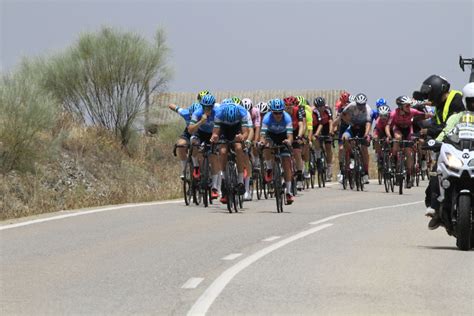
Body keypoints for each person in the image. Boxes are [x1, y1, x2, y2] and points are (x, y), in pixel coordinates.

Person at [416, 75, 465, 228]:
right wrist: (426, 135)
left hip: (464, 144)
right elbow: (439, 126)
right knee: (436, 174)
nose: (428, 98)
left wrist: (430, 129)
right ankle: (438, 211)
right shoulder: (439, 107)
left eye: (429, 94)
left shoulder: (457, 100)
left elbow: (450, 125)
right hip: (450, 146)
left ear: (437, 89)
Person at [428, 82, 474, 229]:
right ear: (465, 101)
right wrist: (436, 142)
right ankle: (436, 209)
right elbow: (446, 132)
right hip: (460, 154)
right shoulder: (456, 117)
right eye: (472, 101)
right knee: (437, 170)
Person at [385, 96, 433, 188]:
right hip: (397, 129)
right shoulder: (393, 113)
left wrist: (431, 115)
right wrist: (389, 136)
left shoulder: (412, 111)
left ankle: (409, 175)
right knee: (397, 139)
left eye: (409, 105)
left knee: (408, 152)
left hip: (408, 130)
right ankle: (394, 161)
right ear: (400, 106)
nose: (409, 107)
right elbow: (388, 126)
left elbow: (422, 115)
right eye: (407, 106)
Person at [210, 99, 250, 204]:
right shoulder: (219, 112)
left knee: (238, 148)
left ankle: (241, 181)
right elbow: (216, 132)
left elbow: (246, 132)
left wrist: (242, 137)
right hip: (224, 129)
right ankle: (224, 178)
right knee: (222, 151)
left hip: (237, 128)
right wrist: (214, 137)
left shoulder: (242, 111)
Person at [260, 98, 295, 203]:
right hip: (271, 136)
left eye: (280, 112)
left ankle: (288, 192)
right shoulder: (266, 118)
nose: (278, 115)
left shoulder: (287, 118)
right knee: (267, 146)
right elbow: (263, 135)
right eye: (275, 113)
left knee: (286, 162)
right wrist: (262, 142)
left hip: (283, 136)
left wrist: (288, 141)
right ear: (271, 112)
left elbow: (290, 136)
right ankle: (270, 169)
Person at [188, 94, 220, 198]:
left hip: (212, 134)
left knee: (214, 157)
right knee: (194, 143)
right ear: (202, 106)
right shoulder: (197, 113)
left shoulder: (217, 114)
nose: (207, 109)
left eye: (210, 107)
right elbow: (190, 129)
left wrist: (216, 137)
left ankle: (214, 187)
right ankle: (196, 167)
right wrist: (201, 121)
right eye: (205, 107)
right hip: (200, 133)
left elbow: (221, 128)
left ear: (213, 106)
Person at [340, 93, 372, 184]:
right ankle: (351, 156)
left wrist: (366, 134)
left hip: (363, 129)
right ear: (356, 103)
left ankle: (365, 173)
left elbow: (368, 124)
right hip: (352, 127)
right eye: (359, 104)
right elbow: (342, 115)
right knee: (345, 138)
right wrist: (350, 123)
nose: (361, 106)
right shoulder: (351, 106)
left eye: (362, 105)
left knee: (364, 148)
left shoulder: (368, 109)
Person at [168, 102, 202, 178]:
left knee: (199, 148)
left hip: (201, 132)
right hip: (189, 132)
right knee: (180, 145)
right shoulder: (185, 113)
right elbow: (173, 106)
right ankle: (185, 170)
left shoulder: (203, 115)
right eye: (191, 116)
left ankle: (202, 168)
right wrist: (169, 104)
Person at [283, 96, 306, 190]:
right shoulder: (282, 113)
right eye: (286, 106)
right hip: (286, 132)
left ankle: (300, 176)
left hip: (296, 131)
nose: (288, 108)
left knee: (296, 152)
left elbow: (301, 125)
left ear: (293, 105)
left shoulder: (297, 111)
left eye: (290, 106)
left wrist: (300, 136)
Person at [242, 98, 261, 200]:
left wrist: (255, 141)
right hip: (245, 128)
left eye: (249, 110)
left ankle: (256, 162)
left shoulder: (255, 111)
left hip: (253, 127)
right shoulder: (241, 113)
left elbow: (257, 127)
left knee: (255, 143)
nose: (247, 112)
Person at [312, 96, 334, 181]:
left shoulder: (328, 109)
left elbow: (331, 121)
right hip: (318, 125)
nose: (321, 108)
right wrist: (316, 134)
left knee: (328, 147)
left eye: (322, 106)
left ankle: (329, 168)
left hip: (326, 126)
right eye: (319, 107)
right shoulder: (315, 111)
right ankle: (318, 156)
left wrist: (331, 132)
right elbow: (319, 124)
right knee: (316, 140)